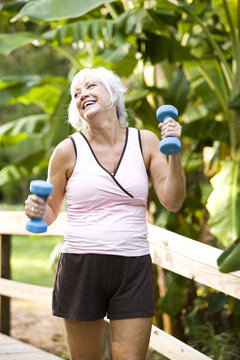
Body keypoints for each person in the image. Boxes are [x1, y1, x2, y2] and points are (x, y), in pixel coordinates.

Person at [25, 66, 186, 360]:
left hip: (132, 267)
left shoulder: (147, 141)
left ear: (113, 93)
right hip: (81, 265)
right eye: (76, 93)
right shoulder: (67, 150)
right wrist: (36, 209)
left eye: (90, 86)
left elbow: (173, 202)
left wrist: (173, 153)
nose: (82, 94)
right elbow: (48, 212)